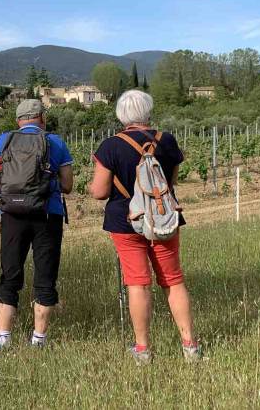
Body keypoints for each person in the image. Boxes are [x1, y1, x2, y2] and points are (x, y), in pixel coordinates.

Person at [88, 89, 201, 364]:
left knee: (137, 284)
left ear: (121, 115)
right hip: (163, 218)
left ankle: (143, 349)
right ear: (148, 112)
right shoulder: (167, 140)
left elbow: (99, 192)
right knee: (173, 280)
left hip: (125, 222)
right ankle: (190, 347)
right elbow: (171, 183)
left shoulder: (110, 146)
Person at [0, 99, 74, 348]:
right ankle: (38, 340)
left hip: (12, 214)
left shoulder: (4, 140)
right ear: (42, 118)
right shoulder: (56, 142)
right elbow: (67, 185)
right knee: (45, 276)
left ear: (18, 121)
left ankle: (3, 338)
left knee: (10, 274)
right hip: (47, 215)